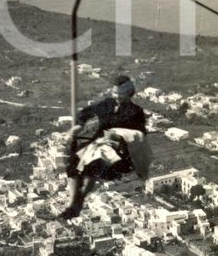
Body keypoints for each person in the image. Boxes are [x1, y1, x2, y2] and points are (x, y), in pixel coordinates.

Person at [59, 75, 151, 219]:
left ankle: (78, 201)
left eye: (121, 94)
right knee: (73, 164)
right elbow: (86, 113)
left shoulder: (135, 111)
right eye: (115, 93)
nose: (117, 96)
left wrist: (120, 135)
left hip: (120, 150)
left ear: (129, 93)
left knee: (94, 164)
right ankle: (72, 203)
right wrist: (76, 127)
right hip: (97, 143)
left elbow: (140, 134)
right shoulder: (107, 104)